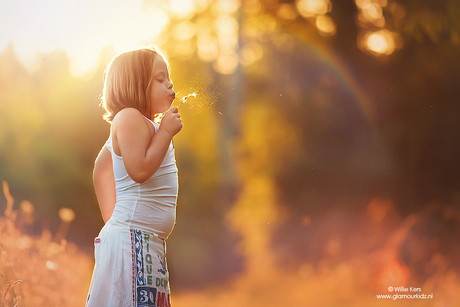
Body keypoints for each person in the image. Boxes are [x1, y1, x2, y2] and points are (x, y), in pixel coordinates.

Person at [86, 47, 182, 307]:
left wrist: (113, 221)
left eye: (168, 77)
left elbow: (101, 167)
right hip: (134, 241)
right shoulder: (129, 117)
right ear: (135, 85)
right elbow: (139, 171)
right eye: (160, 79)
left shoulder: (142, 124)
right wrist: (165, 132)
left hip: (144, 241)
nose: (169, 83)